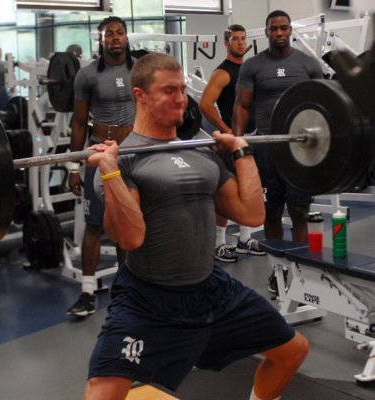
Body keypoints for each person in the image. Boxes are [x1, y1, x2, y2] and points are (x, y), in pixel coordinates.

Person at [82, 52, 309, 400]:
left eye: (182, 89)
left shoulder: (200, 151)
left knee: (292, 351)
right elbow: (130, 236)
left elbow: (251, 215)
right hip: (148, 299)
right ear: (140, 95)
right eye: (169, 90)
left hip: (211, 290)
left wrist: (241, 152)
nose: (181, 99)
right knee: (102, 394)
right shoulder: (122, 159)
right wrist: (109, 172)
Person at [232, 10, 323, 294]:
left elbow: (321, 105)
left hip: (300, 148)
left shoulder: (308, 64)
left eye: (284, 28)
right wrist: (237, 144)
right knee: (271, 213)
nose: (280, 33)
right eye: (274, 29)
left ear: (290, 30)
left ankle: (301, 271)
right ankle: (279, 273)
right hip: (267, 148)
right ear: (267, 32)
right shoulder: (253, 66)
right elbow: (242, 106)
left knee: (299, 213)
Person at [66, 16, 135, 318]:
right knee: (94, 222)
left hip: (134, 152)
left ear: (126, 37)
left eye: (119, 33)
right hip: (100, 151)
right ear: (101, 39)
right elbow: (79, 123)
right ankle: (87, 291)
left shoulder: (140, 69)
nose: (115, 38)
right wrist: (72, 166)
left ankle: (126, 286)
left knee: (126, 220)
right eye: (109, 34)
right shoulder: (87, 75)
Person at [199, 24, 266, 263]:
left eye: (242, 39)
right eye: (235, 39)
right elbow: (205, 103)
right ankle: (219, 243)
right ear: (226, 43)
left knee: (249, 188)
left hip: (251, 136)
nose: (239, 42)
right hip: (231, 140)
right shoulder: (223, 72)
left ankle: (245, 239)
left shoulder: (249, 70)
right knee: (228, 191)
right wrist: (227, 131)